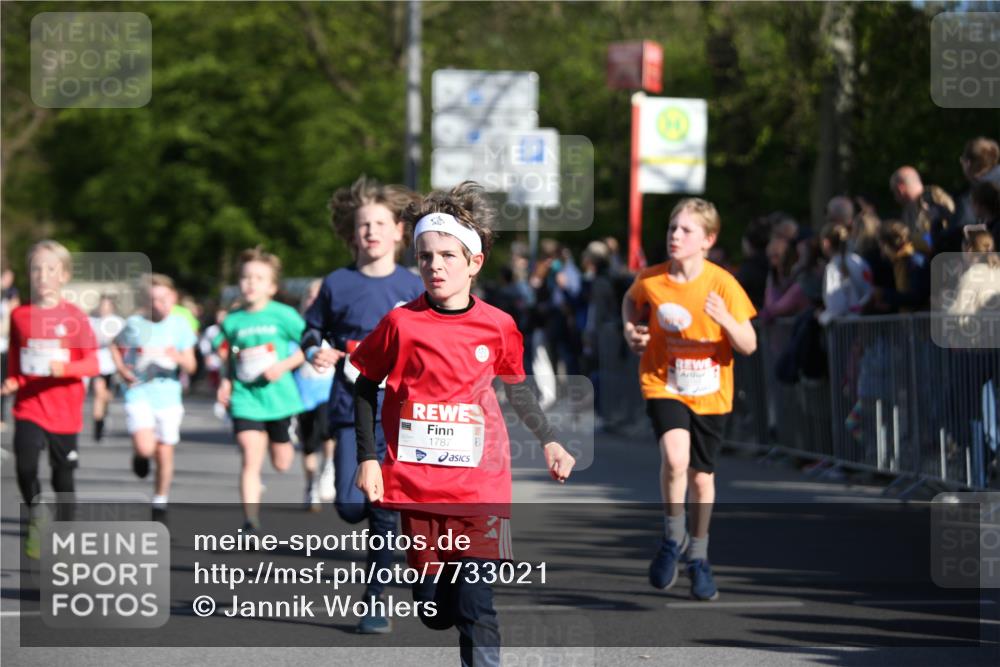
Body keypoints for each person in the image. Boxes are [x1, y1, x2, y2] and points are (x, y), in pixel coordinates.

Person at [351, 182, 576, 666]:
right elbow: (366, 386)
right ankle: (433, 590)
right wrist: (368, 459)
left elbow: (516, 387)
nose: (435, 266)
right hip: (417, 488)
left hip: (480, 486)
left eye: (448, 255)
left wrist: (550, 441)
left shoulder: (497, 325)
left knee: (477, 606)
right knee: (434, 611)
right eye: (425, 256)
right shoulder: (400, 325)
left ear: (474, 262)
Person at [301, 175, 422, 634]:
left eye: (379, 223)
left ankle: (375, 598)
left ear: (397, 232)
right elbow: (311, 329)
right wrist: (317, 349)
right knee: (354, 506)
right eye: (362, 225)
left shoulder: (414, 286)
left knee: (383, 507)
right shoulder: (337, 283)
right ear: (352, 234)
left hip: (403, 412)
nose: (370, 231)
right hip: (351, 407)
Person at [622, 198, 756, 601]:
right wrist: (631, 330)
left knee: (701, 477)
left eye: (686, 230)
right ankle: (671, 536)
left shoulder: (722, 284)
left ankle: (698, 554)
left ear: (708, 240)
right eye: (671, 229)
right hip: (664, 381)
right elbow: (631, 301)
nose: (675, 236)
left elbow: (749, 344)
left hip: (711, 392)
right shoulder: (652, 279)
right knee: (675, 458)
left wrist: (727, 320)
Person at [1, 241, 98, 558]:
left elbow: (93, 364)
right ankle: (37, 513)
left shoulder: (75, 317)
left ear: (64, 275)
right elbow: (17, 354)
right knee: (26, 467)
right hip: (29, 406)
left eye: (50, 269)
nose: (43, 275)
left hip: (64, 413)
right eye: (36, 269)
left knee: (63, 480)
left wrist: (65, 368)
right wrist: (13, 379)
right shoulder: (20, 315)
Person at [216, 248, 306, 532]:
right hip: (246, 398)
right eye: (245, 277)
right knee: (249, 456)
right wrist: (225, 381)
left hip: (279, 399)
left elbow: (309, 346)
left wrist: (284, 365)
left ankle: (281, 438)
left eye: (258, 278)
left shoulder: (284, 315)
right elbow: (226, 356)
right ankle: (251, 521)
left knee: (282, 463)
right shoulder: (232, 321)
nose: (251, 283)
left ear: (271, 286)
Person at [112, 275, 197, 520]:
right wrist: (122, 370)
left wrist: (177, 357)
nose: (158, 304)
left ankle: (160, 501)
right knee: (146, 446)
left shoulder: (180, 325)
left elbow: (190, 366)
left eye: (163, 298)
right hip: (139, 392)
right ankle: (140, 455)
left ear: (173, 299)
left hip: (169, 396)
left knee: (164, 452)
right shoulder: (135, 323)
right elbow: (114, 346)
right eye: (152, 299)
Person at [294, 279, 336, 511]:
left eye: (318, 297)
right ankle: (311, 486)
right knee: (308, 443)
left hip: (328, 392)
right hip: (302, 394)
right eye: (310, 296)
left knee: (328, 432)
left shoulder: (333, 325)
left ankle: (329, 467)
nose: (313, 300)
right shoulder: (297, 326)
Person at [816, 224, 873, 326]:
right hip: (866, 323)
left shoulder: (833, 268)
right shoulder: (859, 261)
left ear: (826, 243)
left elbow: (836, 307)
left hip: (845, 329)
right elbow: (868, 292)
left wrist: (821, 316)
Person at [89, 294, 125, 442]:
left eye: (107, 306)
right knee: (99, 394)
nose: (103, 309)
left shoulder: (119, 323)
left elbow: (124, 343)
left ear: (112, 308)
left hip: (113, 365)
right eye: (102, 305)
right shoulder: (92, 321)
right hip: (97, 364)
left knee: (107, 396)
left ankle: (104, 415)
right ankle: (98, 428)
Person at [1, 267, 20, 429]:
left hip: (5, 346)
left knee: (3, 382)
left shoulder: (11, 294)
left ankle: (1, 416)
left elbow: (11, 322)